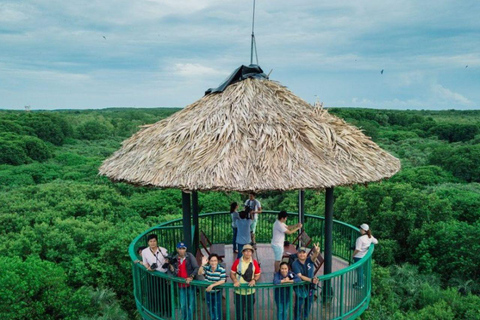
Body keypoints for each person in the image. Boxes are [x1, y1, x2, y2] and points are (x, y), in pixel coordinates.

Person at [141, 234, 171, 316]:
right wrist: (149, 268)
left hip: (163, 275)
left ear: (157, 241)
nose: (153, 243)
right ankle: (159, 311)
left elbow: (168, 260)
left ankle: (168, 312)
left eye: (154, 241)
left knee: (165, 294)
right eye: (150, 241)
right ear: (148, 243)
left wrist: (167, 262)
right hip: (153, 275)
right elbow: (144, 263)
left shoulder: (163, 250)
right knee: (155, 294)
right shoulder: (145, 252)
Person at [230, 245, 261, 320]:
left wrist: (254, 280)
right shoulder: (237, 262)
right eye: (246, 251)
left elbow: (258, 274)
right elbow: (232, 273)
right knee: (239, 312)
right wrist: (235, 280)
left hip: (250, 292)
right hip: (238, 292)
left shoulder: (254, 263)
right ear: (243, 252)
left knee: (250, 312)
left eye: (250, 251)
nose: (248, 253)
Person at [169, 242, 199, 320]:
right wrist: (172, 269)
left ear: (185, 249)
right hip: (181, 285)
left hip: (190, 284)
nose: (181, 250)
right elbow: (174, 273)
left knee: (191, 305)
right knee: (183, 305)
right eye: (180, 249)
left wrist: (191, 276)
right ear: (177, 249)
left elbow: (196, 267)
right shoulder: (175, 259)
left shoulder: (189, 256)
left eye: (183, 248)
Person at [292, 244, 320, 320]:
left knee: (309, 303)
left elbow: (314, 257)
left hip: (310, 287)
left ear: (306, 254)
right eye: (300, 253)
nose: (302, 254)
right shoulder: (295, 264)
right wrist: (311, 280)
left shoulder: (309, 260)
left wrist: (316, 252)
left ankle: (305, 317)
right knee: (299, 304)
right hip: (300, 287)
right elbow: (300, 276)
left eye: (303, 252)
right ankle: (297, 318)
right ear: (297, 254)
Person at [199, 254, 227, 320]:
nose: (213, 262)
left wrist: (212, 285)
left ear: (217, 261)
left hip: (217, 292)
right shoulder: (207, 268)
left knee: (217, 309)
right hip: (208, 292)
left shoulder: (221, 269)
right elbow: (199, 272)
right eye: (211, 261)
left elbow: (222, 280)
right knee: (210, 309)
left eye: (215, 261)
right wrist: (202, 264)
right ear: (209, 261)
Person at [352, 223, 378, 289]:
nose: (359, 230)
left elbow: (357, 249)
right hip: (364, 256)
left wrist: (353, 255)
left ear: (363, 230)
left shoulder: (360, 239)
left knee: (359, 271)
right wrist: (368, 246)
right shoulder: (370, 237)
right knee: (361, 270)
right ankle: (359, 283)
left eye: (360, 229)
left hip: (358, 257)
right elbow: (376, 242)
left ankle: (360, 285)